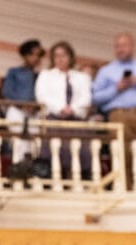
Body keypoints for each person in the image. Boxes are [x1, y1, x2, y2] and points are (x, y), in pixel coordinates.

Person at [92, 32, 136, 190]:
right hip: (118, 115)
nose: (120, 49)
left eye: (123, 45)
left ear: (132, 46)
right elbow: (95, 97)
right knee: (122, 156)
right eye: (117, 46)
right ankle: (127, 192)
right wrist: (116, 88)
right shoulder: (106, 71)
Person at [34, 40, 93, 176]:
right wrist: (61, 108)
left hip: (76, 119)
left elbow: (86, 97)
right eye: (57, 56)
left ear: (70, 57)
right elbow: (41, 96)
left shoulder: (82, 77)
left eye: (64, 55)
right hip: (54, 119)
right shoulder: (46, 75)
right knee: (53, 153)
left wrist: (73, 109)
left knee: (79, 155)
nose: (60, 59)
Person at [2, 39, 44, 165]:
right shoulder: (14, 72)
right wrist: (22, 105)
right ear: (25, 55)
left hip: (35, 113)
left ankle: (32, 167)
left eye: (38, 55)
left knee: (34, 142)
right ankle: (17, 167)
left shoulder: (41, 75)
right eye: (33, 54)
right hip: (17, 111)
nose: (36, 58)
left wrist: (35, 107)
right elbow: (7, 91)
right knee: (18, 141)